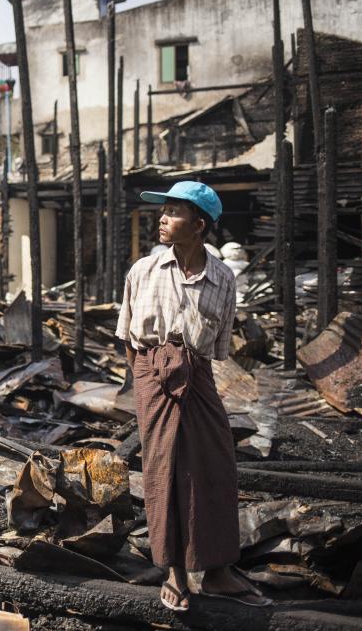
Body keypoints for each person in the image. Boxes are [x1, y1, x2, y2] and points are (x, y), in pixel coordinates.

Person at [115, 181, 271, 612]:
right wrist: (148, 376)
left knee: (216, 463)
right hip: (152, 370)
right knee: (164, 467)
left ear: (199, 224)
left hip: (198, 373)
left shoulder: (222, 279)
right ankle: (175, 571)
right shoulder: (143, 271)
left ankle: (216, 569)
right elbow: (127, 337)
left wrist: (185, 370)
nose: (162, 218)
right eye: (162, 210)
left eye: (174, 212)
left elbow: (217, 348)